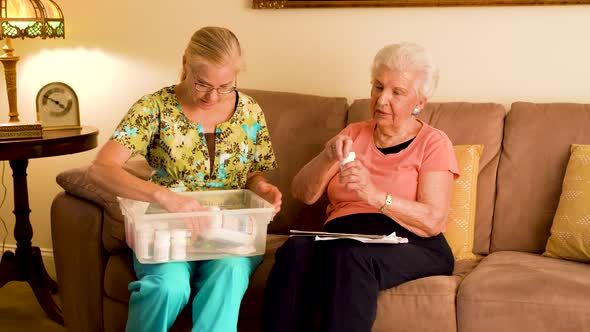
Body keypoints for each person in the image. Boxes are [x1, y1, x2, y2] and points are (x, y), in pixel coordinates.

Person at [88, 26, 281, 332]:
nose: (213, 96)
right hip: (167, 230)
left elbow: (253, 172)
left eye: (225, 86)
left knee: (229, 274)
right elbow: (100, 168)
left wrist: (261, 187)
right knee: (168, 288)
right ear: (184, 65)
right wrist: (164, 197)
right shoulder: (153, 108)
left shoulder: (250, 111)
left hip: (228, 233)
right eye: (202, 83)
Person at [264, 42, 459, 332]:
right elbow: (303, 193)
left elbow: (433, 220)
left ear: (420, 100)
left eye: (397, 92)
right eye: (378, 87)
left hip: (409, 241)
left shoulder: (434, 142)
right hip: (342, 235)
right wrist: (328, 155)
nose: (382, 100)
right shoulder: (353, 133)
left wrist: (375, 196)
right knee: (296, 250)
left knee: (351, 257)